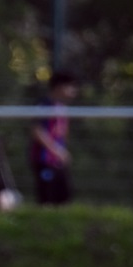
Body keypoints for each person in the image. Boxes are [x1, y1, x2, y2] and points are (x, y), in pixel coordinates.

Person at [29, 70, 78, 205]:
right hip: (44, 160)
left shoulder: (62, 108)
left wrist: (63, 152)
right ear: (59, 87)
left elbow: (62, 133)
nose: (74, 90)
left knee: (64, 197)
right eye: (70, 86)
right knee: (47, 198)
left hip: (58, 161)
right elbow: (36, 130)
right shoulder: (43, 105)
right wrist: (56, 150)